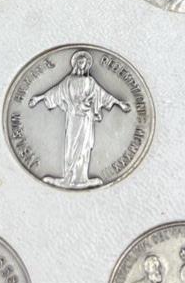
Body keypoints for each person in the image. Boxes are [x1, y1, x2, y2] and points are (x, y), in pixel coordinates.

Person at [28, 50, 130, 188]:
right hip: (74, 116)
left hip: (86, 118)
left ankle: (81, 178)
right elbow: (55, 91)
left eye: (84, 62)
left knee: (84, 145)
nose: (82, 64)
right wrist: (38, 98)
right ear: (76, 63)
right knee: (72, 144)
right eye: (80, 62)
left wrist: (120, 103)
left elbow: (103, 95)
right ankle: (69, 177)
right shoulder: (69, 81)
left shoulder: (90, 81)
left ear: (87, 64)